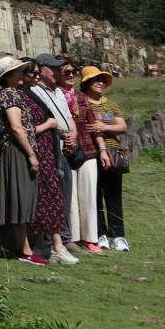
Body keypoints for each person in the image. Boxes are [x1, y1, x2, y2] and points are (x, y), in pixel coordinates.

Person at [0, 55, 58, 264]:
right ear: (8, 76)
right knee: (20, 199)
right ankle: (24, 250)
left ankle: (25, 249)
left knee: (24, 199)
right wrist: (32, 155)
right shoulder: (9, 95)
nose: (23, 74)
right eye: (19, 72)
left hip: (19, 149)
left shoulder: (14, 93)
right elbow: (16, 128)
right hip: (18, 151)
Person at [29, 54, 79, 264]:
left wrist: (73, 136)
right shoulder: (34, 91)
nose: (58, 72)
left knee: (64, 196)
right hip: (50, 150)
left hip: (64, 150)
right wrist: (60, 132)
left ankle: (63, 238)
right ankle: (51, 242)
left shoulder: (57, 91)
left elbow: (68, 117)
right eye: (54, 68)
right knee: (51, 196)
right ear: (41, 69)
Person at [79, 66, 129, 251]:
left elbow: (122, 126)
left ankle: (118, 235)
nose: (101, 83)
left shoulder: (111, 104)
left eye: (103, 80)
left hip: (113, 152)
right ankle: (99, 233)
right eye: (96, 79)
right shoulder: (82, 102)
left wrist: (104, 127)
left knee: (114, 194)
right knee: (95, 195)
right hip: (91, 153)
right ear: (87, 82)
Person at [63, 61, 106, 253]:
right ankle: (73, 238)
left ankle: (91, 238)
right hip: (66, 151)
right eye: (66, 72)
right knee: (70, 197)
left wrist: (102, 149)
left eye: (73, 71)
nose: (71, 75)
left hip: (87, 150)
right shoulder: (53, 95)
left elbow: (93, 124)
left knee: (89, 194)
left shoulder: (81, 96)